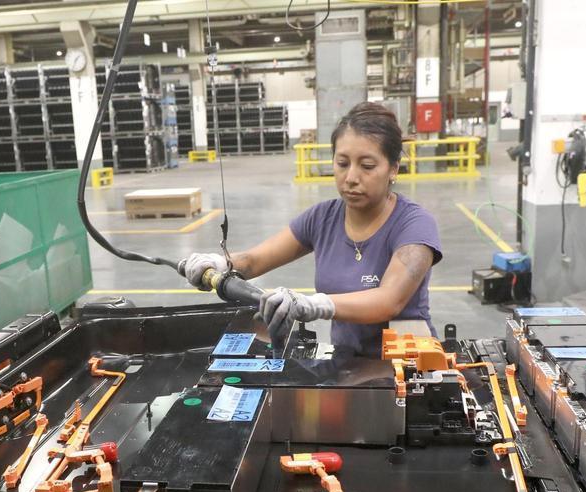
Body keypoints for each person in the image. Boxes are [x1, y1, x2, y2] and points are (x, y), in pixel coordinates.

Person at [182, 102, 442, 358]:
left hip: (410, 370)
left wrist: (316, 304)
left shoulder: (414, 224)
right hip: (348, 366)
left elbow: (389, 301)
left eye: (367, 166)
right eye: (342, 163)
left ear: (393, 168)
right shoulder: (322, 218)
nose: (351, 177)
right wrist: (219, 263)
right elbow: (254, 260)